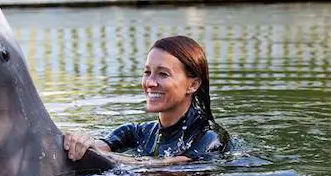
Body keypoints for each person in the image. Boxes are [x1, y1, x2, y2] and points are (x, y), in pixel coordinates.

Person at [64, 35, 230, 166]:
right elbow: (96, 149)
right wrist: (81, 142)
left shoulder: (211, 137)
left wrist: (102, 155)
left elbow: (167, 167)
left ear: (192, 85)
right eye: (147, 72)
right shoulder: (135, 133)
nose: (150, 83)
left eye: (163, 74)